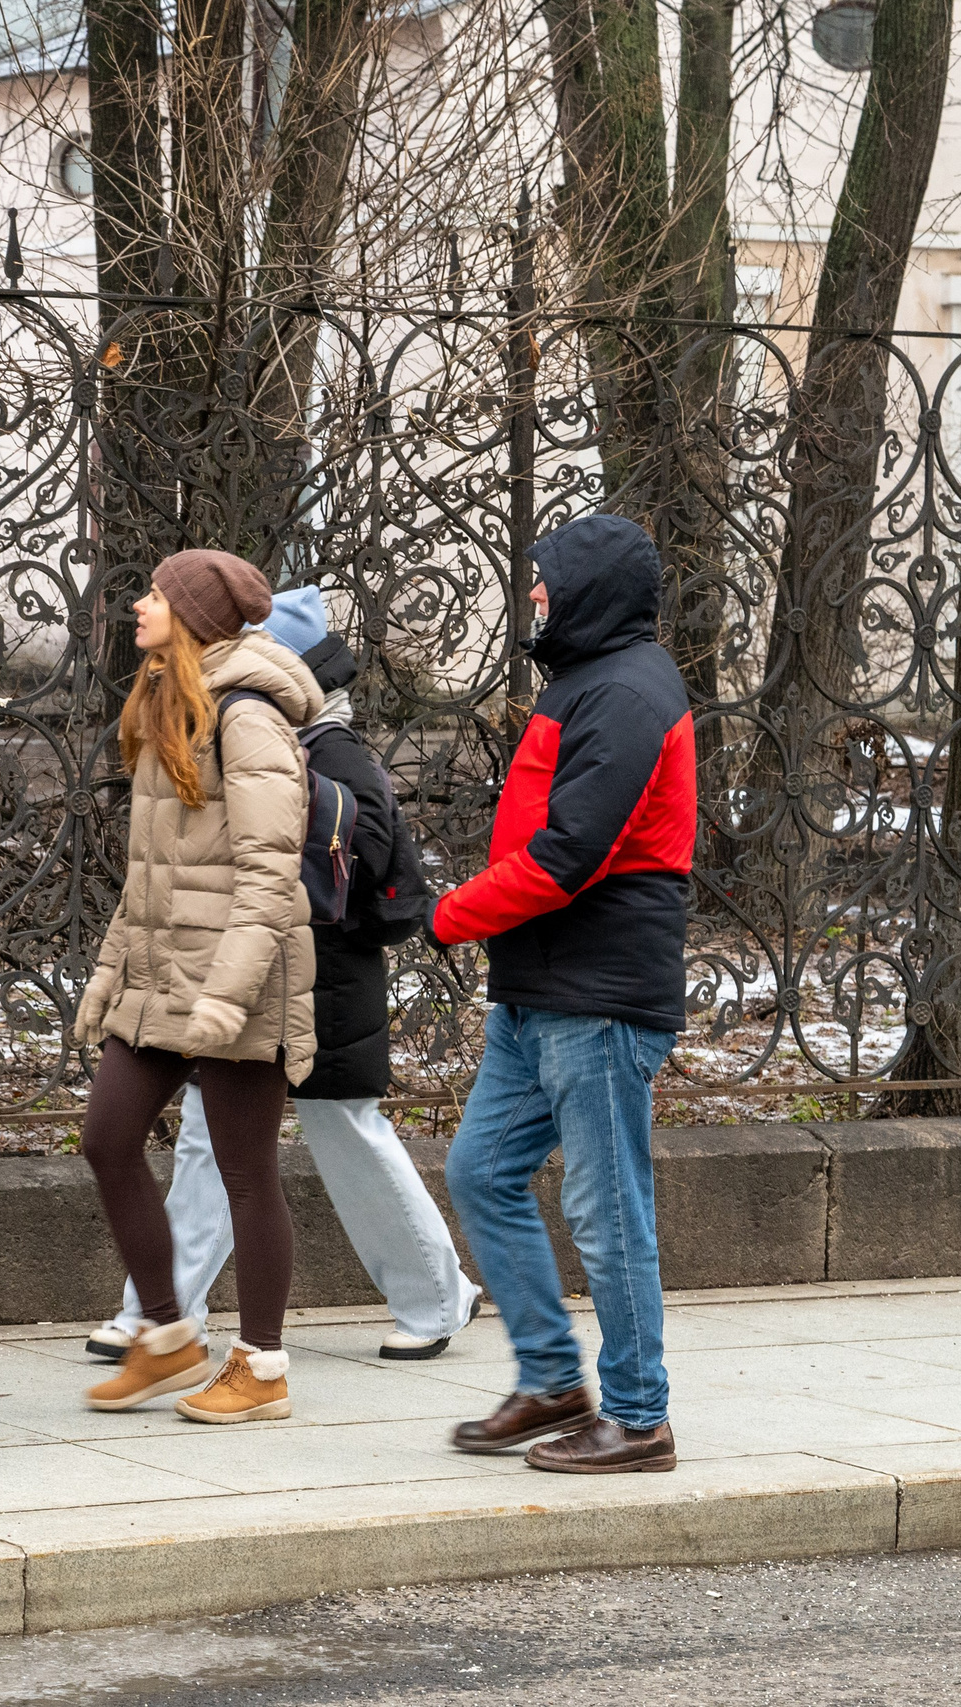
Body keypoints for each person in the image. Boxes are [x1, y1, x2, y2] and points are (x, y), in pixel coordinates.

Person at [85, 588, 481, 1372]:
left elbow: (347, 863)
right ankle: (160, 1314)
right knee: (210, 1139)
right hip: (252, 965)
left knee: (343, 1136)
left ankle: (438, 1295)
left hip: (318, 976)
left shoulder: (322, 745)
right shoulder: (227, 724)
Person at [433, 514, 697, 1474]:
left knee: (608, 1210)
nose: (533, 593)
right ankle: (553, 1380)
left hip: (599, 994)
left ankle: (638, 1416)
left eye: (544, 579)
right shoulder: (589, 682)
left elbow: (566, 856)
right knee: (482, 1171)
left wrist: (450, 914)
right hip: (541, 989)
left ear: (588, 587)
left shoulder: (630, 692)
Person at [72, 549, 320, 1421]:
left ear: (194, 615)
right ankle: (170, 1337)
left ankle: (262, 1366)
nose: (140, 604)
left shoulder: (247, 718)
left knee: (246, 1172)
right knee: (107, 1138)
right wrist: (110, 976)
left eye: (156, 594)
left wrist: (227, 993)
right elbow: (149, 875)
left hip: (234, 982)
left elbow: (267, 874)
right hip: (162, 976)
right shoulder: (172, 705)